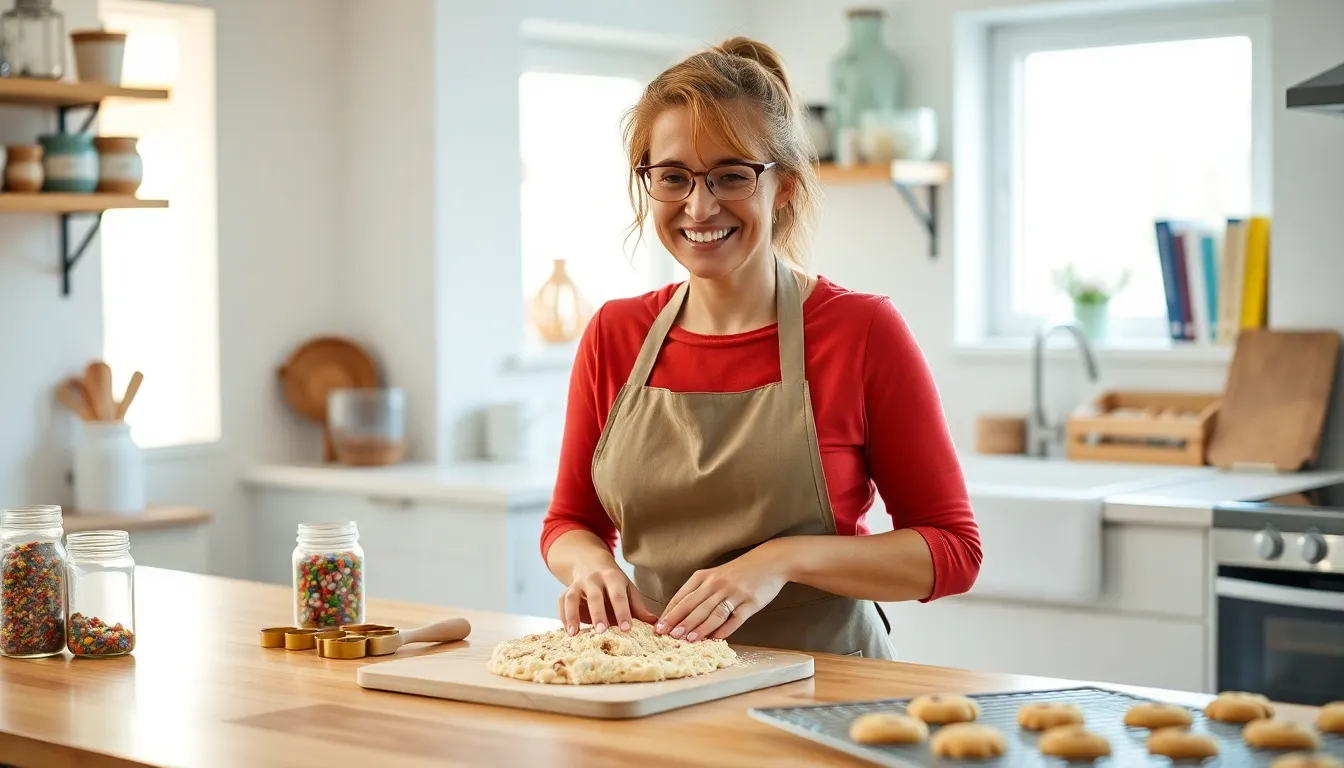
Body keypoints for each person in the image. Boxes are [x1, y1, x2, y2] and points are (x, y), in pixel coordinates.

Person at [539, 36, 981, 660]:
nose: (699, 205)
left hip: (827, 687)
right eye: (673, 178)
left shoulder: (861, 330)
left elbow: (953, 551)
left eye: (730, 176)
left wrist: (782, 560)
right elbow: (570, 524)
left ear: (786, 187)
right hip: (660, 682)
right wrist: (589, 567)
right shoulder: (616, 333)